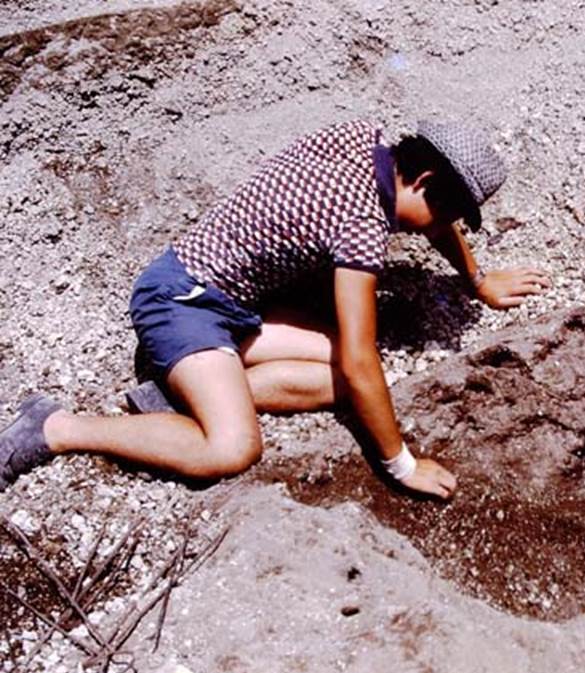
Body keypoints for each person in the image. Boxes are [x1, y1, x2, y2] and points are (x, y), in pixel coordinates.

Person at [0, 120, 550, 499]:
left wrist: (476, 279)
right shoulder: (360, 222)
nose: (434, 230)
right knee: (234, 446)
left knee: (345, 374)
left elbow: (428, 212)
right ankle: (55, 427)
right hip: (179, 301)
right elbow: (361, 358)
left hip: (230, 301)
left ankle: (178, 393)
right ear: (425, 181)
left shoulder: (365, 140)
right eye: (441, 215)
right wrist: (401, 465)